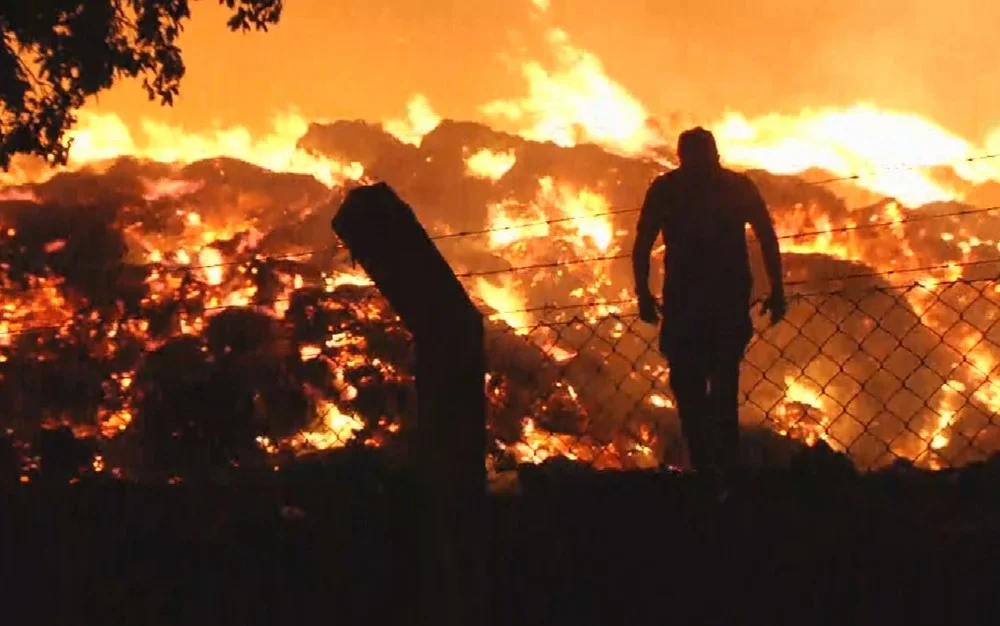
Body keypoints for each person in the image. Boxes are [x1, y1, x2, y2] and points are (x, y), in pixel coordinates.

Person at [631, 127, 786, 478]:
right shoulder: (734, 187)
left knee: (694, 390)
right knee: (720, 389)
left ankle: (707, 470)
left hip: (692, 305)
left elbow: (642, 245)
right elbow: (766, 236)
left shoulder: (669, 189)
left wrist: (643, 292)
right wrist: (777, 289)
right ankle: (720, 473)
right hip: (720, 303)